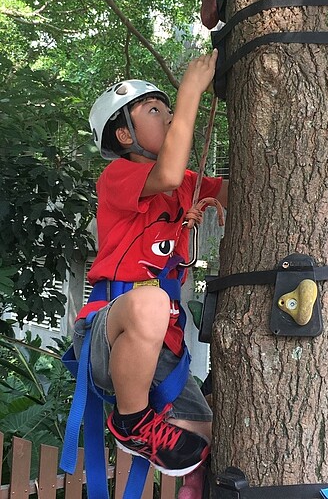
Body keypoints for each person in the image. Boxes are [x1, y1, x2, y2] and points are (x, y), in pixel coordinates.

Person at [72, 49, 227, 479]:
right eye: (154, 110)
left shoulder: (187, 188)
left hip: (162, 347)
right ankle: (130, 422)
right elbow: (170, 174)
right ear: (125, 136)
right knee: (151, 302)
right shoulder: (119, 175)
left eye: (165, 109)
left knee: (197, 440)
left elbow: (242, 190)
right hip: (111, 329)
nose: (167, 115)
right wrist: (190, 93)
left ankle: (175, 464)